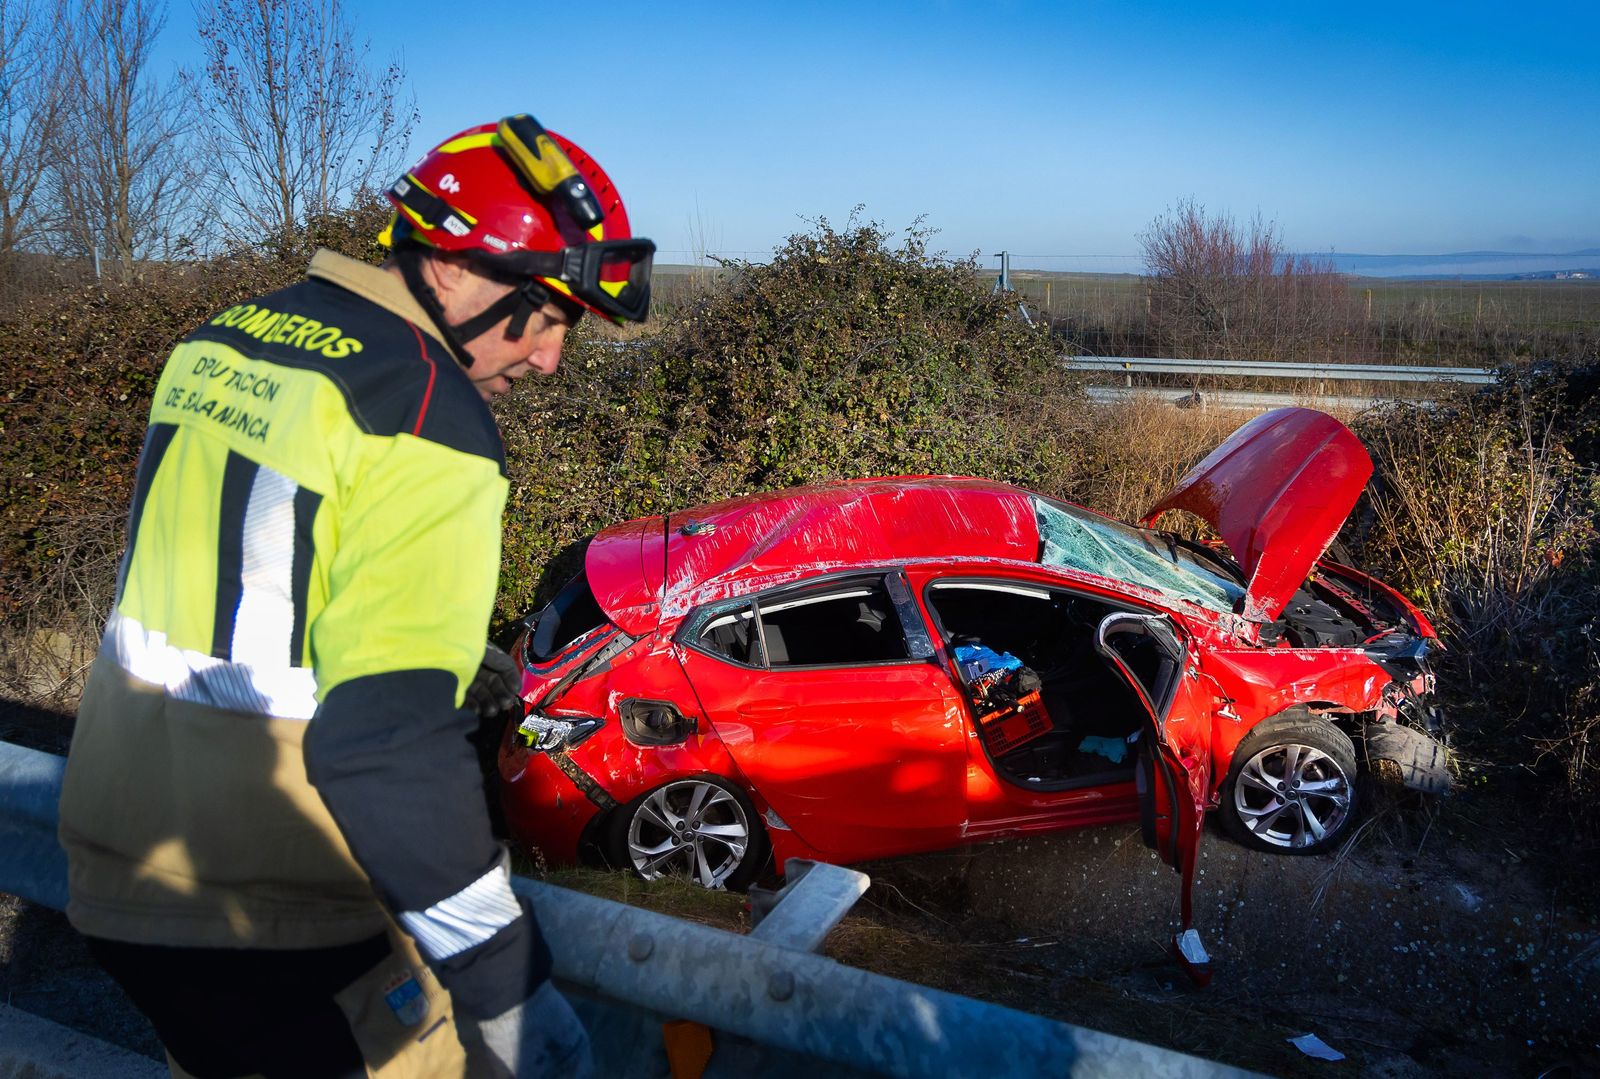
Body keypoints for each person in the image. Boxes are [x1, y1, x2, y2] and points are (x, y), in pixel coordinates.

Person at [57, 113, 654, 1078]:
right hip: (275, 903)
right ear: (452, 267)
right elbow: (382, 748)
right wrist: (515, 992)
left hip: (117, 859)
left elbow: (256, 588)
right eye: (543, 314)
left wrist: (442, 664)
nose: (549, 358)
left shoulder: (227, 336)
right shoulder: (428, 416)